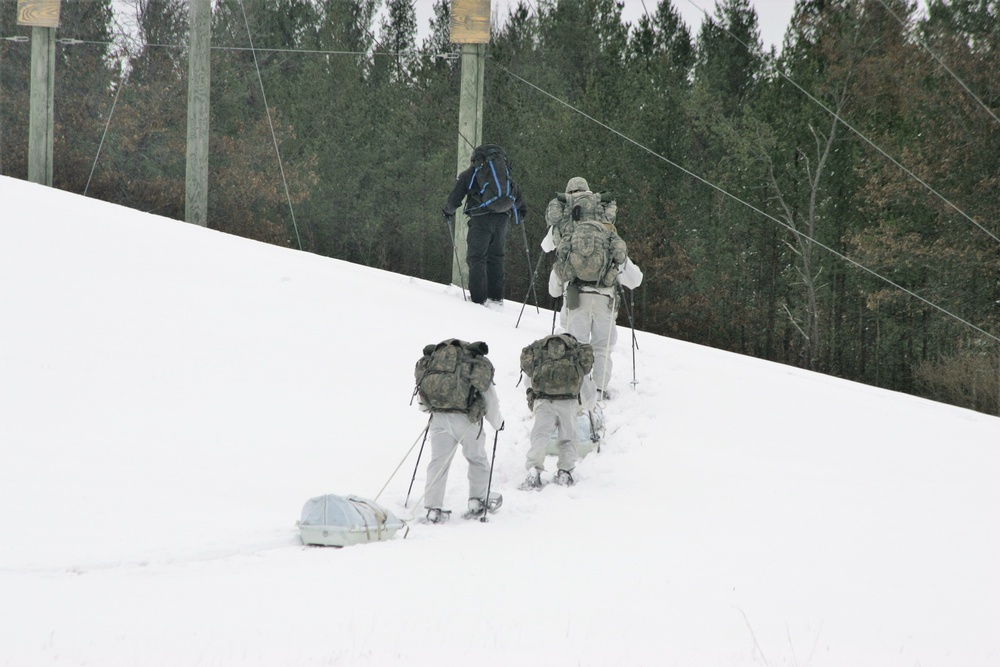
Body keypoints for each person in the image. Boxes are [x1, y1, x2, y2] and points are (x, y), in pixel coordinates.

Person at [543, 177, 643, 400]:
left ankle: (574, 390)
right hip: (605, 299)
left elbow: (553, 290)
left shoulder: (569, 239)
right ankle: (597, 392)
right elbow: (635, 280)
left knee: (574, 346)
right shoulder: (608, 237)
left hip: (576, 298)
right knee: (601, 348)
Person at [413, 339, 505, 523]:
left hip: (439, 418)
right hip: (467, 419)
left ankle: (433, 509)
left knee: (438, 463)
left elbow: (423, 396)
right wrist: (497, 423)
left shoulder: (436, 364)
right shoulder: (475, 365)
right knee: (477, 458)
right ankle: (476, 502)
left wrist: (431, 409)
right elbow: (490, 400)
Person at [443, 145, 527, 306]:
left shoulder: (471, 173)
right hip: (502, 218)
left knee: (476, 257)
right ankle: (496, 298)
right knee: (496, 257)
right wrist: (521, 211)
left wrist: (448, 211)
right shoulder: (504, 175)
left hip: (481, 218)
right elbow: (515, 192)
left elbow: (455, 198)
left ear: (476, 159)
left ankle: (478, 299)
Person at [519, 333, 596, 489]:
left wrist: (533, 400)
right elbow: (588, 391)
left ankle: (534, 470)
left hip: (543, 401)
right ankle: (565, 471)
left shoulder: (541, 353)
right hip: (568, 403)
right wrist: (586, 406)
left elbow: (529, 380)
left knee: (540, 436)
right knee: (568, 438)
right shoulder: (575, 355)